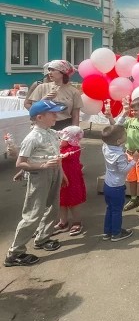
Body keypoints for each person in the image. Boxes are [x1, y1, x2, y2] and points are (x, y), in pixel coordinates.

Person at [4, 100, 66, 267]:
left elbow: (56, 155)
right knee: (33, 213)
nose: (56, 116)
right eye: (52, 113)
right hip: (40, 175)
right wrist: (43, 166)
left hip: (54, 172)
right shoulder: (32, 138)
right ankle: (15, 253)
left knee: (53, 207)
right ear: (39, 117)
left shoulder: (51, 133)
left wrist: (62, 174)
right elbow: (21, 162)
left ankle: (43, 238)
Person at [108, 97, 139, 212]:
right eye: (132, 110)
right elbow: (116, 127)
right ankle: (133, 198)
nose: (133, 112)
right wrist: (110, 116)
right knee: (131, 178)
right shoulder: (129, 120)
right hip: (128, 154)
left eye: (136, 110)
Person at [101, 124, 136, 242]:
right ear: (119, 140)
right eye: (124, 134)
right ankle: (116, 233)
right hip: (117, 186)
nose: (126, 134)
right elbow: (123, 170)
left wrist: (124, 115)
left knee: (110, 209)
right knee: (117, 211)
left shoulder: (105, 146)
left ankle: (107, 232)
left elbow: (111, 129)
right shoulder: (119, 155)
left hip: (107, 185)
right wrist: (134, 161)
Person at [25, 60, 82, 130]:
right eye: (49, 70)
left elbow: (75, 115)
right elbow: (33, 109)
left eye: (53, 70)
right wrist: (44, 99)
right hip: (44, 125)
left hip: (65, 126)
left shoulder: (74, 91)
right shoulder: (41, 87)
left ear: (63, 72)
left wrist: (74, 131)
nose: (49, 73)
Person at [54, 126, 86, 236]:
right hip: (61, 179)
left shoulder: (74, 149)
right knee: (61, 201)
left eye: (61, 138)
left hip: (72, 180)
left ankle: (77, 221)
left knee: (73, 202)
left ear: (71, 140)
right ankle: (63, 222)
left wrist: (61, 155)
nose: (58, 140)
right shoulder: (61, 148)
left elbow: (64, 156)